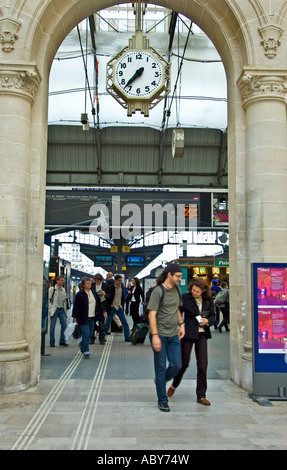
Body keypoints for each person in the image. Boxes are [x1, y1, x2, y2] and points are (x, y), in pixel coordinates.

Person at [167, 277, 215, 406]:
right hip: (188, 333)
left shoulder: (208, 299)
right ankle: (174, 385)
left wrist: (208, 321)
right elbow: (177, 311)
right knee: (184, 363)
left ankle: (201, 395)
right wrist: (180, 324)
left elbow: (213, 315)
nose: (195, 293)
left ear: (203, 291)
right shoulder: (185, 297)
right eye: (193, 290)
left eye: (198, 291)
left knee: (203, 365)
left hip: (202, 334)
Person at [148, 264, 185, 412]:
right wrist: (155, 336)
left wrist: (181, 323)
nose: (179, 279)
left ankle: (160, 381)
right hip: (160, 334)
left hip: (174, 333)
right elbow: (152, 314)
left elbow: (176, 307)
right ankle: (162, 400)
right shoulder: (158, 291)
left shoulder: (177, 289)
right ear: (169, 274)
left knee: (177, 365)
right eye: (177, 276)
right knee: (161, 367)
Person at [72, 277, 107, 358]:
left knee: (91, 334)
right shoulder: (80, 294)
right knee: (86, 334)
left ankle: (82, 344)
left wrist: (103, 311)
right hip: (83, 317)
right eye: (87, 283)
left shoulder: (94, 293)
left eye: (90, 283)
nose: (89, 284)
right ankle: (86, 351)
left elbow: (98, 304)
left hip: (92, 317)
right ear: (84, 285)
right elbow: (76, 306)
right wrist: (74, 316)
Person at [103, 275, 131, 342]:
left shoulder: (121, 287)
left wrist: (122, 304)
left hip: (119, 307)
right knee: (107, 322)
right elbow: (107, 297)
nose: (120, 282)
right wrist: (110, 304)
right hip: (112, 307)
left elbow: (123, 296)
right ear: (115, 280)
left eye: (121, 280)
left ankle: (127, 337)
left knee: (125, 322)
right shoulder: (111, 287)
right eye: (119, 280)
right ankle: (102, 336)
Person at [48, 276, 69, 347]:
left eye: (63, 280)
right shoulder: (52, 289)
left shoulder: (63, 289)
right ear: (57, 281)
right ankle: (52, 342)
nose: (63, 282)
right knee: (52, 326)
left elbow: (64, 300)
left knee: (64, 324)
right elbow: (49, 299)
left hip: (62, 309)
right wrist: (50, 308)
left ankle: (62, 340)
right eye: (61, 280)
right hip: (55, 309)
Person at [92, 273, 110, 345]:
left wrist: (105, 294)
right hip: (93, 307)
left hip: (102, 306)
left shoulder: (106, 286)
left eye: (98, 281)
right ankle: (92, 338)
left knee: (102, 324)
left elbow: (110, 295)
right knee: (92, 323)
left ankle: (101, 338)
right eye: (96, 281)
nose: (97, 283)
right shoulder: (92, 286)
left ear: (101, 280)